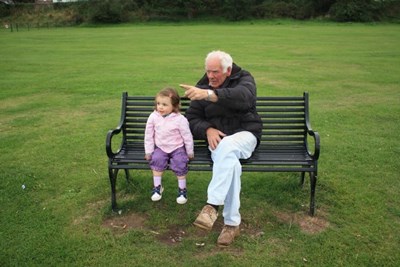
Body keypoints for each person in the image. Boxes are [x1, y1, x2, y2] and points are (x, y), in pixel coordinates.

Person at [180, 50, 262, 247]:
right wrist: (207, 129)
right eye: (208, 71)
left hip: (245, 134)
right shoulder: (202, 86)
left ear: (228, 70)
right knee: (230, 162)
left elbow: (244, 97)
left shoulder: (244, 78)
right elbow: (191, 119)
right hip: (219, 139)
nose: (210, 76)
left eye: (215, 72)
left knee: (227, 147)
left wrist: (210, 95)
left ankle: (212, 205)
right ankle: (232, 224)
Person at [144, 87, 194, 204]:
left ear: (174, 106)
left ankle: (182, 190)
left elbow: (187, 136)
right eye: (158, 103)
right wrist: (149, 151)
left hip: (177, 147)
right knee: (156, 159)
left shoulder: (180, 119)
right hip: (161, 147)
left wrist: (190, 151)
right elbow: (148, 135)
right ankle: (157, 187)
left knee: (180, 161)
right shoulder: (153, 117)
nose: (160, 107)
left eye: (165, 104)